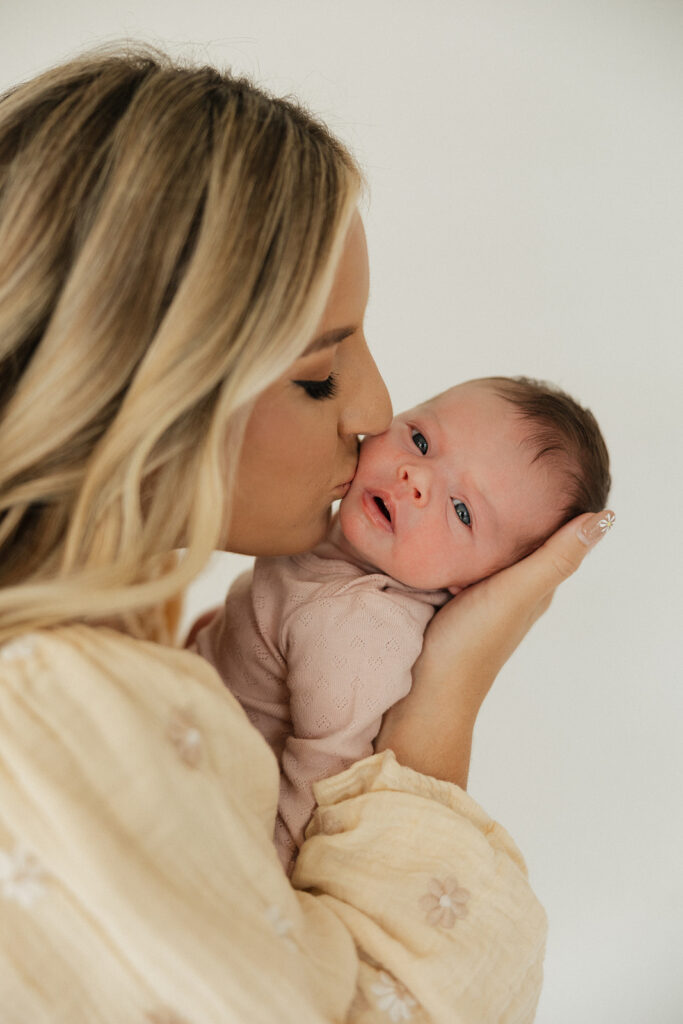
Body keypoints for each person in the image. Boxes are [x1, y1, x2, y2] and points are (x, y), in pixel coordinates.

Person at [0, 47, 615, 1023]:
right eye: (319, 377)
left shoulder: (110, 649)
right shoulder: (44, 710)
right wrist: (440, 714)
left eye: (460, 511)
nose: (374, 414)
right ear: (135, 388)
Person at [193, 376, 611, 873]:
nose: (416, 476)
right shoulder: (328, 540)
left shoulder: (361, 631)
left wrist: (256, 894)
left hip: (216, 833)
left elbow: (319, 802)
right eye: (421, 440)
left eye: (461, 511)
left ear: (476, 584)